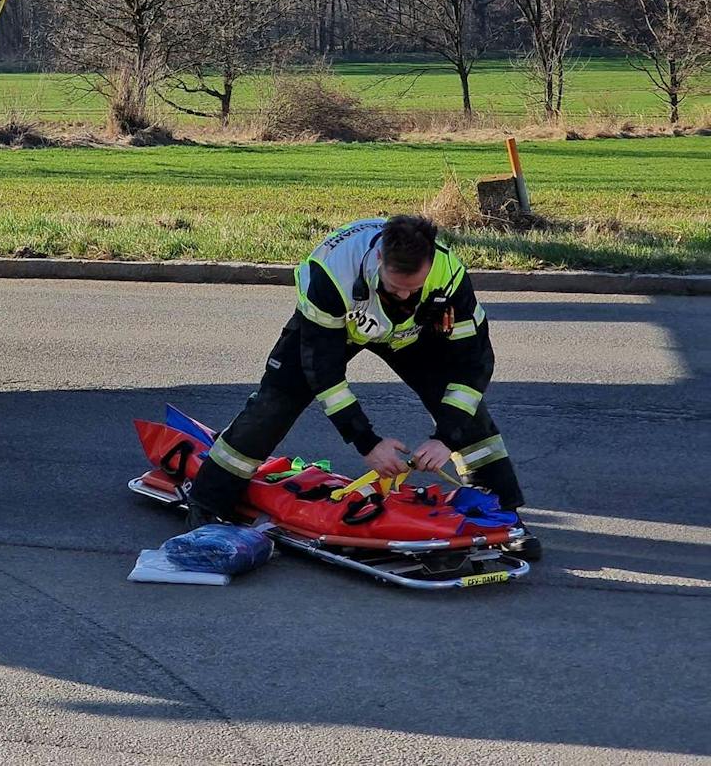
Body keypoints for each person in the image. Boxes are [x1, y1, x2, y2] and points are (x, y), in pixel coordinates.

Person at [185, 213, 538, 558]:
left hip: (411, 336)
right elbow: (323, 373)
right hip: (339, 329)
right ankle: (208, 501)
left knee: (469, 416)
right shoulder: (329, 274)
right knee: (274, 404)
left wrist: (446, 438)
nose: (403, 296)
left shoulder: (449, 274)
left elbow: (474, 363)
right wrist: (366, 442)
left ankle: (501, 516)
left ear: (430, 263)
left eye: (414, 288)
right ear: (380, 257)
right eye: (395, 286)